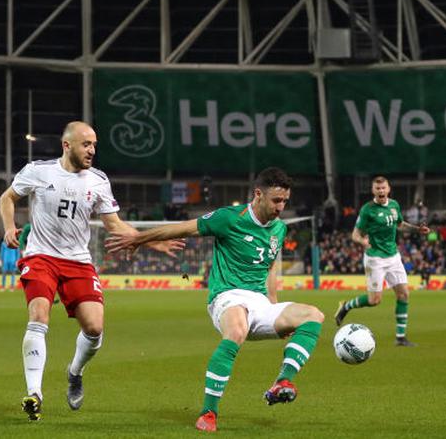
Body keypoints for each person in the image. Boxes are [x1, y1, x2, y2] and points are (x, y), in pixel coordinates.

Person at [105, 167, 325, 433]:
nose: (281, 207)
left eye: (285, 201)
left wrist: (274, 307)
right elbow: (184, 229)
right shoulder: (229, 218)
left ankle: (283, 381)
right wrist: (140, 238)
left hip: (260, 303)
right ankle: (209, 412)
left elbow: (270, 269)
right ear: (258, 194)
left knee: (314, 315)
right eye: (276, 200)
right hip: (227, 296)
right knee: (237, 330)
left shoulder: (278, 228)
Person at [0, 121, 183, 422]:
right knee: (39, 314)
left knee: (95, 329)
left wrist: (150, 241)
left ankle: (75, 371)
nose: (92, 151)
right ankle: (35, 393)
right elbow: (7, 198)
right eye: (86, 144)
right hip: (41, 256)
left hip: (78, 262)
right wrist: (8, 227)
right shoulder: (38, 171)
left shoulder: (98, 180)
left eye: (94, 145)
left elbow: (113, 224)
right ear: (67, 145)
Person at [334, 176, 430, 347]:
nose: (381, 191)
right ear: (373, 191)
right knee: (374, 301)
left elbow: (399, 224)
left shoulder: (394, 205)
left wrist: (417, 230)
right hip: (375, 258)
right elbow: (355, 234)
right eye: (377, 188)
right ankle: (346, 306)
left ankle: (400, 338)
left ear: (388, 189)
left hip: (393, 256)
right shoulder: (367, 210)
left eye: (383, 188)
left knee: (404, 294)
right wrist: (363, 241)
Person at [0, 224, 25, 290]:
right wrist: (0, 259)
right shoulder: (3, 243)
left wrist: (17, 260)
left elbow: (18, 252)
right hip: (5, 260)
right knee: (4, 273)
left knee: (13, 273)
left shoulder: (15, 242)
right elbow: (2, 252)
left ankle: (12, 286)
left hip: (13, 260)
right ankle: (3, 286)